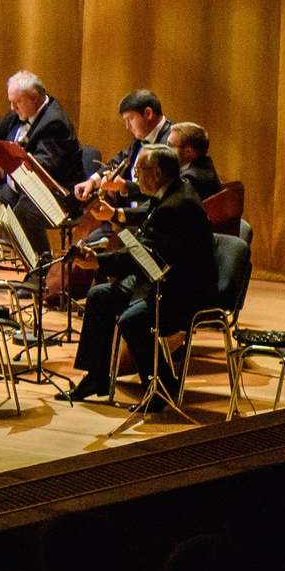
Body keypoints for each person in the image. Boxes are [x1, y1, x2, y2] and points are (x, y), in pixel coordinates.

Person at [57, 145, 219, 405]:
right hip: (162, 277)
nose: (135, 177)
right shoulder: (172, 191)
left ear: (156, 173)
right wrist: (115, 217)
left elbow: (143, 256)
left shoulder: (177, 205)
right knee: (99, 296)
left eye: (139, 171)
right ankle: (97, 376)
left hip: (184, 290)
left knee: (133, 319)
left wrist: (98, 261)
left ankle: (162, 388)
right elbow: (146, 225)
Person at [0, 70, 85, 212]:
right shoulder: (20, 113)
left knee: (23, 210)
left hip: (50, 197)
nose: (12, 107)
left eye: (17, 102)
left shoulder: (55, 123)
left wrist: (4, 163)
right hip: (19, 190)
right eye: (11, 102)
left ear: (34, 97)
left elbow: (43, 167)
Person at [77, 89, 172, 202]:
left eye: (130, 119)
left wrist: (125, 186)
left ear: (148, 114)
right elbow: (124, 158)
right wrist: (93, 181)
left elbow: (162, 192)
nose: (127, 126)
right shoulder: (144, 134)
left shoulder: (171, 143)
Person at [167, 121, 221, 199]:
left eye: (170, 146)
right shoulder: (205, 167)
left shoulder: (190, 179)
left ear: (188, 152)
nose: (165, 150)